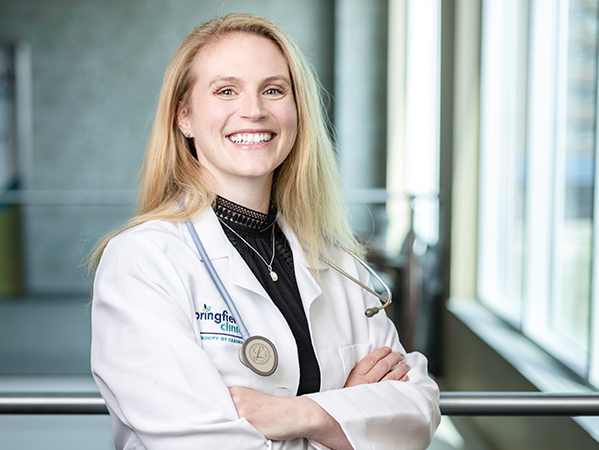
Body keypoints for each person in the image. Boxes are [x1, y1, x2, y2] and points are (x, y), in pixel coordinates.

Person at [90, 13, 440, 450]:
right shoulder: (142, 261)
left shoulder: (334, 260)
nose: (253, 110)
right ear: (185, 117)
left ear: (297, 110)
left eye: (273, 90)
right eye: (226, 91)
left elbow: (418, 411)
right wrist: (345, 413)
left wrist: (299, 414)